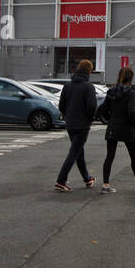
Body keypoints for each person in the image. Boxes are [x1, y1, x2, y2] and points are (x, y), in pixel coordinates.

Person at [97, 66, 135, 192]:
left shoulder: (111, 91)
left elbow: (103, 109)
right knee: (133, 156)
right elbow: (131, 112)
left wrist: (109, 119)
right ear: (131, 78)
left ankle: (105, 185)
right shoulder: (131, 92)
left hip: (113, 126)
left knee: (110, 156)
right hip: (127, 128)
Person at [54, 59, 97, 192]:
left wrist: (68, 115)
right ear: (89, 71)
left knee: (78, 152)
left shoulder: (68, 85)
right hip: (82, 124)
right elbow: (91, 107)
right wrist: (90, 118)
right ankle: (61, 180)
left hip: (70, 124)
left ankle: (87, 178)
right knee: (74, 152)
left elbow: (61, 105)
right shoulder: (88, 86)